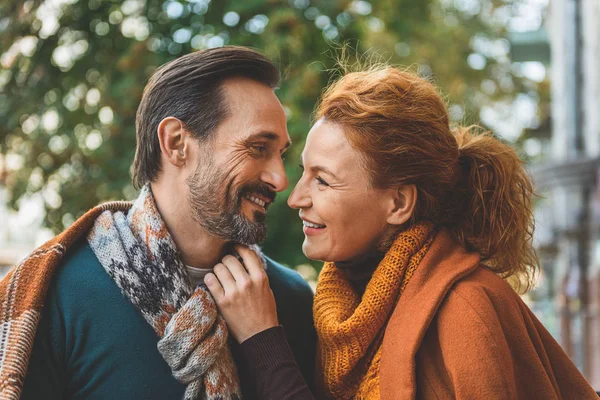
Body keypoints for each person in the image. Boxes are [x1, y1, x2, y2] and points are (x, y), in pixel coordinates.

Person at [205, 65, 599, 399]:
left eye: (323, 181)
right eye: (304, 171)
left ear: (398, 204)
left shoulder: (467, 309)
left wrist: (263, 342)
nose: (296, 198)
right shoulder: (343, 305)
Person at [0, 46, 316, 400]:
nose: (280, 179)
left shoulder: (289, 301)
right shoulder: (55, 295)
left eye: (281, 154)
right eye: (258, 148)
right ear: (176, 143)